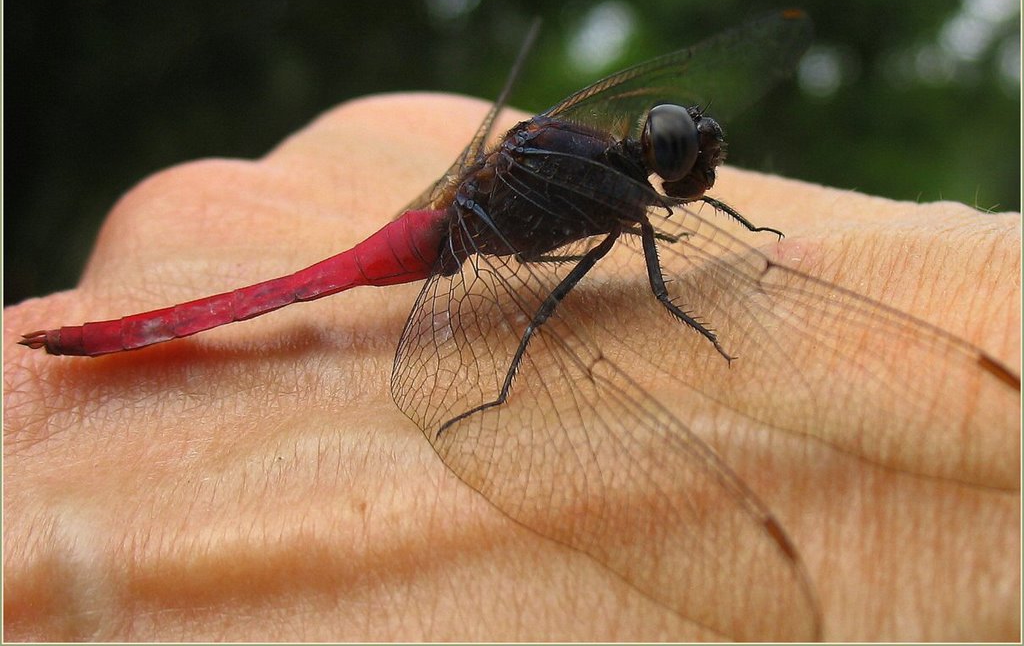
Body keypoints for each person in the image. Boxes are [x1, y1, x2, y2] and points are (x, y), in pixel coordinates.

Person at [4, 94, 1019, 641]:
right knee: (551, 318)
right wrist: (673, 317)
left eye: (681, 141)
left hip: (472, 215)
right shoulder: (613, 192)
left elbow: (669, 215)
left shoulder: (621, 178)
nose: (689, 149)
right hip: (430, 239)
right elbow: (612, 279)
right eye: (678, 142)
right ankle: (108, 342)